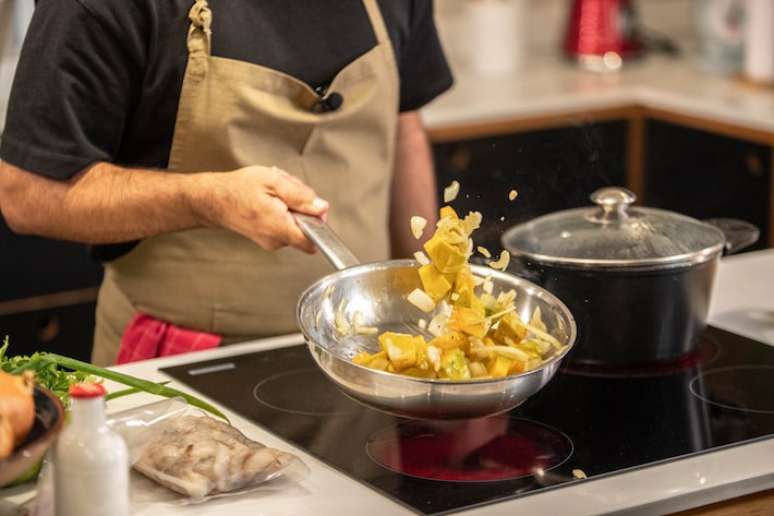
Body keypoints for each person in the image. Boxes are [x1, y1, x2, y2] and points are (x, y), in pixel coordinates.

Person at [0, 0, 453, 365]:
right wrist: (206, 200)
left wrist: (439, 313)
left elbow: (404, 127)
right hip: (184, 371)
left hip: (369, 360)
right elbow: (26, 195)